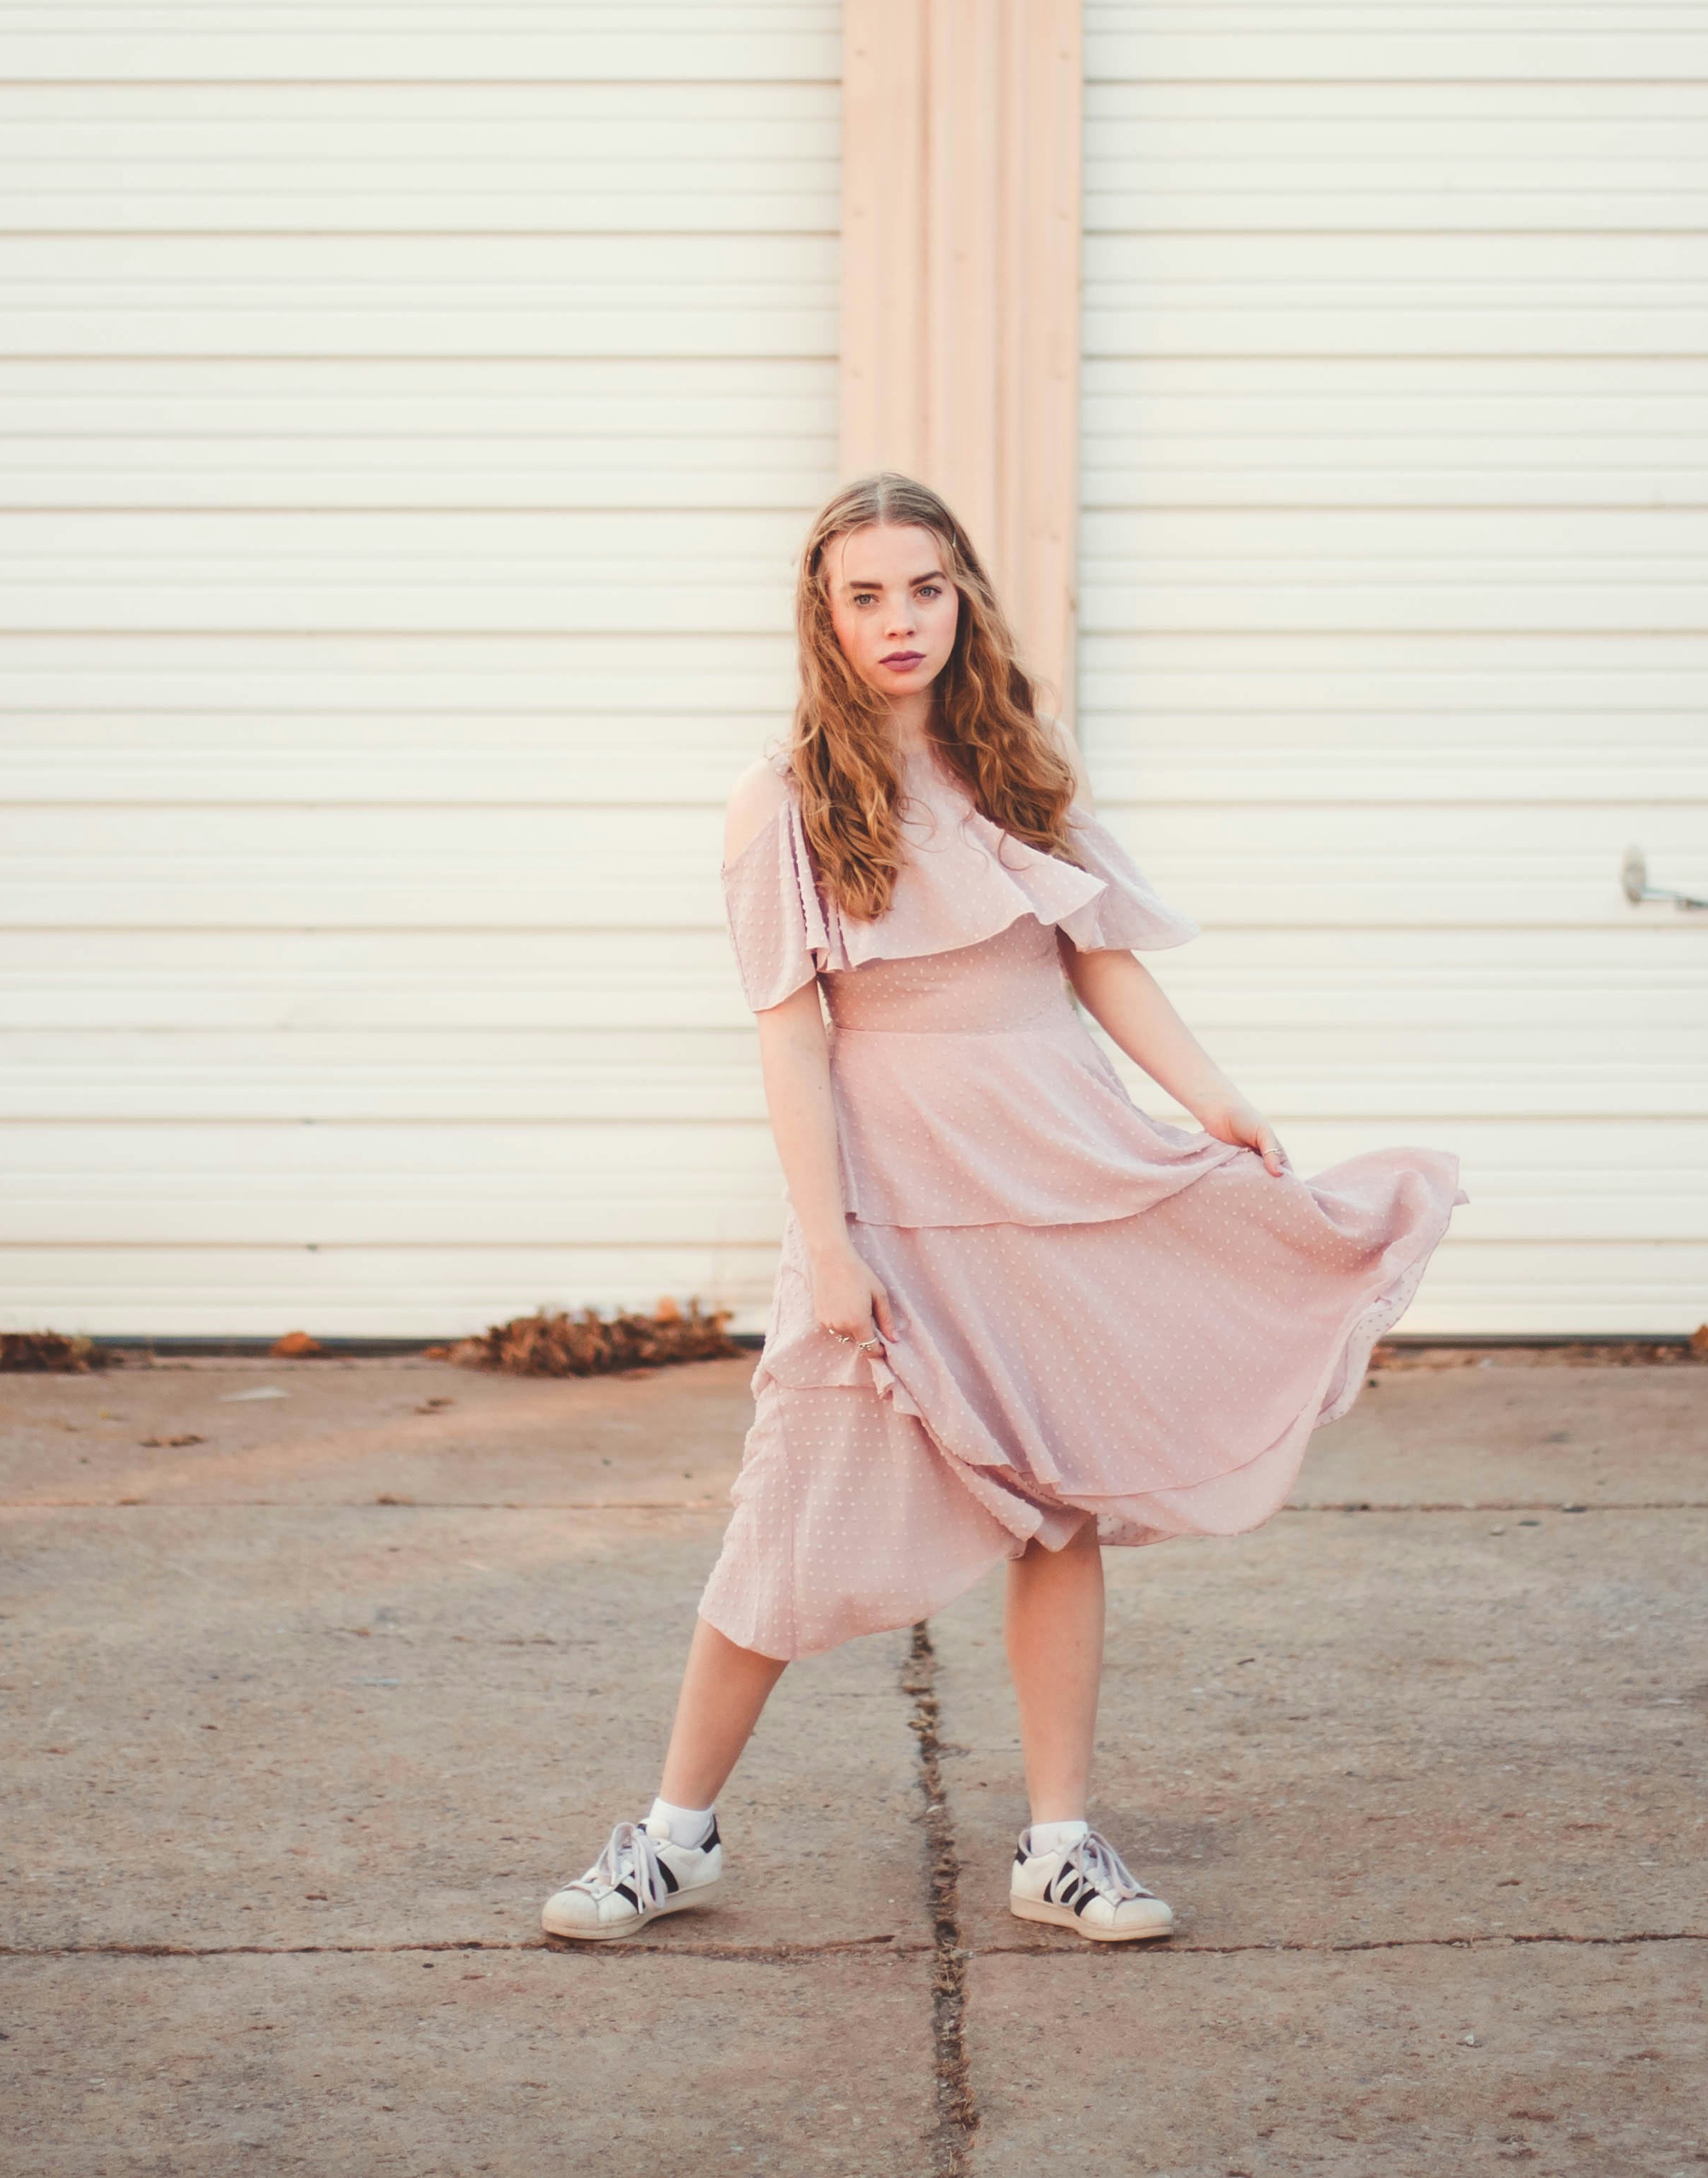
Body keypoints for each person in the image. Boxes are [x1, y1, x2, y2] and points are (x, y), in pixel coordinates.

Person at [541, 472, 1461, 1945]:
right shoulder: (779, 802)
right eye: (865, 594)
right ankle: (671, 1836)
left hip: (1055, 1164)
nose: (899, 620)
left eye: (925, 587)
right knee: (789, 1509)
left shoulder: (1019, 769)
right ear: (822, 616)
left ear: (963, 597)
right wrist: (827, 1238)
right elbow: (789, 1030)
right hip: (894, 1201)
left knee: (1058, 1506)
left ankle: (1060, 1842)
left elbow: (1100, 962)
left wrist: (1212, 1096)